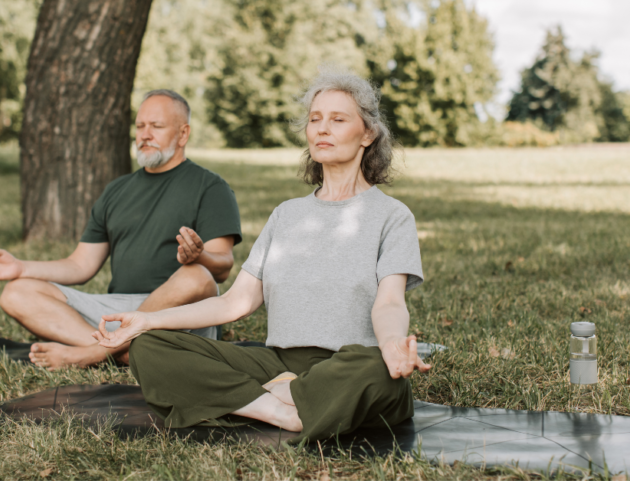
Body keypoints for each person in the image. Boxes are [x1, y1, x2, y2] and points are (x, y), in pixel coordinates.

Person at [92, 70, 430, 442]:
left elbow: (389, 303)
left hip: (349, 364)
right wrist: (146, 320)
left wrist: (392, 344)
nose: (322, 129)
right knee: (151, 346)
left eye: (338, 119)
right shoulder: (286, 214)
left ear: (367, 133)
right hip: (279, 364)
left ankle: (263, 397)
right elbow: (234, 303)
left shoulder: (392, 216)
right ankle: (279, 410)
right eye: (315, 119)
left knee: (379, 373)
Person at [0, 90, 242, 370]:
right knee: (16, 293)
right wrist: (20, 268)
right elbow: (80, 265)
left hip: (177, 314)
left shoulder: (210, 188)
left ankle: (89, 355)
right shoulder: (117, 190)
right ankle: (120, 354)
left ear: (183, 134)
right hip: (118, 312)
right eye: (139, 126)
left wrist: (200, 256)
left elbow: (221, 269)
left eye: (156, 127)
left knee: (197, 276)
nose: (145, 135)